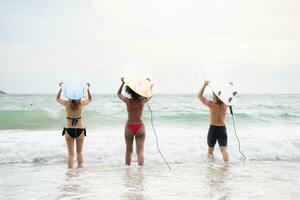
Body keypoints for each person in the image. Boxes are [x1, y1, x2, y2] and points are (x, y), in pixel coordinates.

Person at [56, 82, 92, 168]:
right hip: (80, 130)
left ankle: (70, 175)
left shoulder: (66, 103)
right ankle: (79, 176)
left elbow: (57, 98)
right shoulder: (81, 104)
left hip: (69, 130)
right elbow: (90, 99)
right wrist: (87, 89)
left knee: (71, 155)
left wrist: (61, 88)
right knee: (79, 152)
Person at [117, 77, 149, 166]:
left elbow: (118, 94)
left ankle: (127, 171)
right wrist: (147, 84)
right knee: (140, 151)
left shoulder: (128, 101)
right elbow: (149, 94)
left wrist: (123, 83)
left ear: (130, 91)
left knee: (128, 151)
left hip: (129, 126)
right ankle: (141, 171)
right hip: (140, 126)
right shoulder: (142, 101)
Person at [197, 80, 229, 162]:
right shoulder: (226, 105)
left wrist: (204, 85)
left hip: (213, 129)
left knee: (210, 151)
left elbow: (199, 96)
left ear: (214, 96)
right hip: (222, 129)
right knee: (224, 150)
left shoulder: (211, 104)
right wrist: (229, 87)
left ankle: (211, 168)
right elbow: (231, 97)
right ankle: (226, 168)